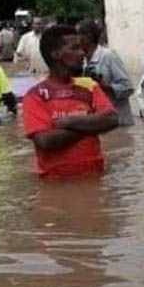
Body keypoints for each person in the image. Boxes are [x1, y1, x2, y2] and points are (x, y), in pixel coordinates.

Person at [22, 25, 119, 178]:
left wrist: (70, 122)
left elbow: (112, 119)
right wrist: (92, 125)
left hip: (95, 179)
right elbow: (46, 142)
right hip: (55, 183)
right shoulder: (35, 96)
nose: (82, 53)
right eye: (75, 48)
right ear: (55, 54)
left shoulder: (89, 85)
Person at [77, 19, 135, 126]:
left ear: (88, 37)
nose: (75, 41)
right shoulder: (82, 62)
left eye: (78, 36)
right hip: (99, 122)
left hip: (119, 122)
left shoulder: (108, 56)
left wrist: (106, 87)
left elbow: (128, 87)